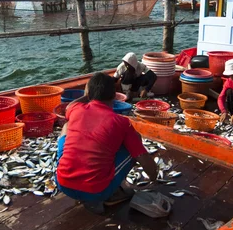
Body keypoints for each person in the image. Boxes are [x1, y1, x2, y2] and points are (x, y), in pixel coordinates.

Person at [55, 73, 158, 214]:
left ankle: (83, 185)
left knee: (67, 127)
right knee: (134, 142)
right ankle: (111, 194)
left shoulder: (76, 109)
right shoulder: (121, 122)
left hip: (63, 183)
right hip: (96, 192)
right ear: (114, 96)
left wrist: (88, 95)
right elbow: (143, 159)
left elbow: (69, 107)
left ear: (88, 94)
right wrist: (154, 177)